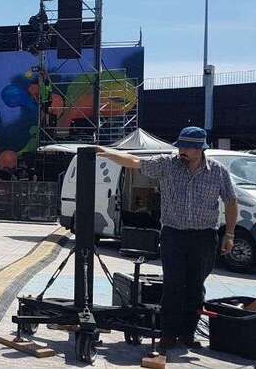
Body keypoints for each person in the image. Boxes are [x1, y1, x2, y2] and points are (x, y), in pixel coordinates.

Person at [93, 126, 237, 353]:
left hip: (204, 237)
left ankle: (188, 334)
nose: (181, 150)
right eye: (180, 145)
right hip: (173, 235)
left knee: (195, 288)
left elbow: (231, 202)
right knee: (173, 287)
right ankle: (168, 335)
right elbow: (134, 161)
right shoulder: (167, 164)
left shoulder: (218, 172)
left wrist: (229, 234)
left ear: (200, 149)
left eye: (187, 147)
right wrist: (106, 152)